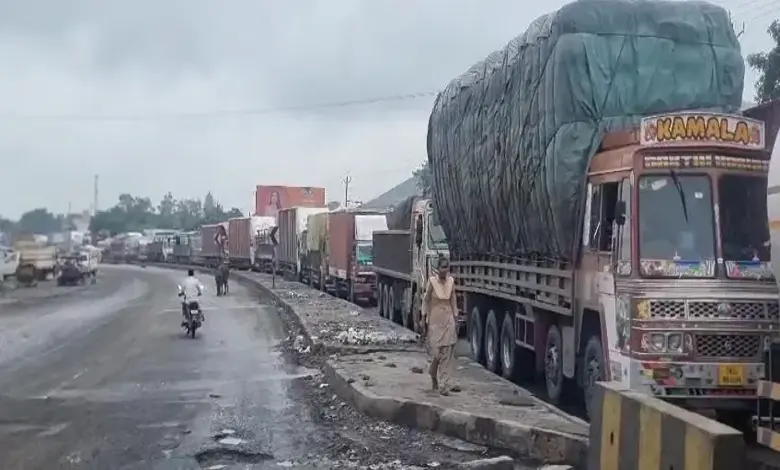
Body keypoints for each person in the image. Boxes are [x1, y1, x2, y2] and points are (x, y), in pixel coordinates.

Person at [421, 256, 458, 395]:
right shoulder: (432, 282)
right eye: (442, 267)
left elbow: (453, 301)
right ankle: (433, 374)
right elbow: (425, 300)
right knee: (436, 354)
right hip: (435, 320)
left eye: (446, 267)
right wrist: (423, 317)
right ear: (438, 269)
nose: (444, 270)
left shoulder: (451, 282)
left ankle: (444, 385)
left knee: (447, 354)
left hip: (448, 319)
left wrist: (456, 316)